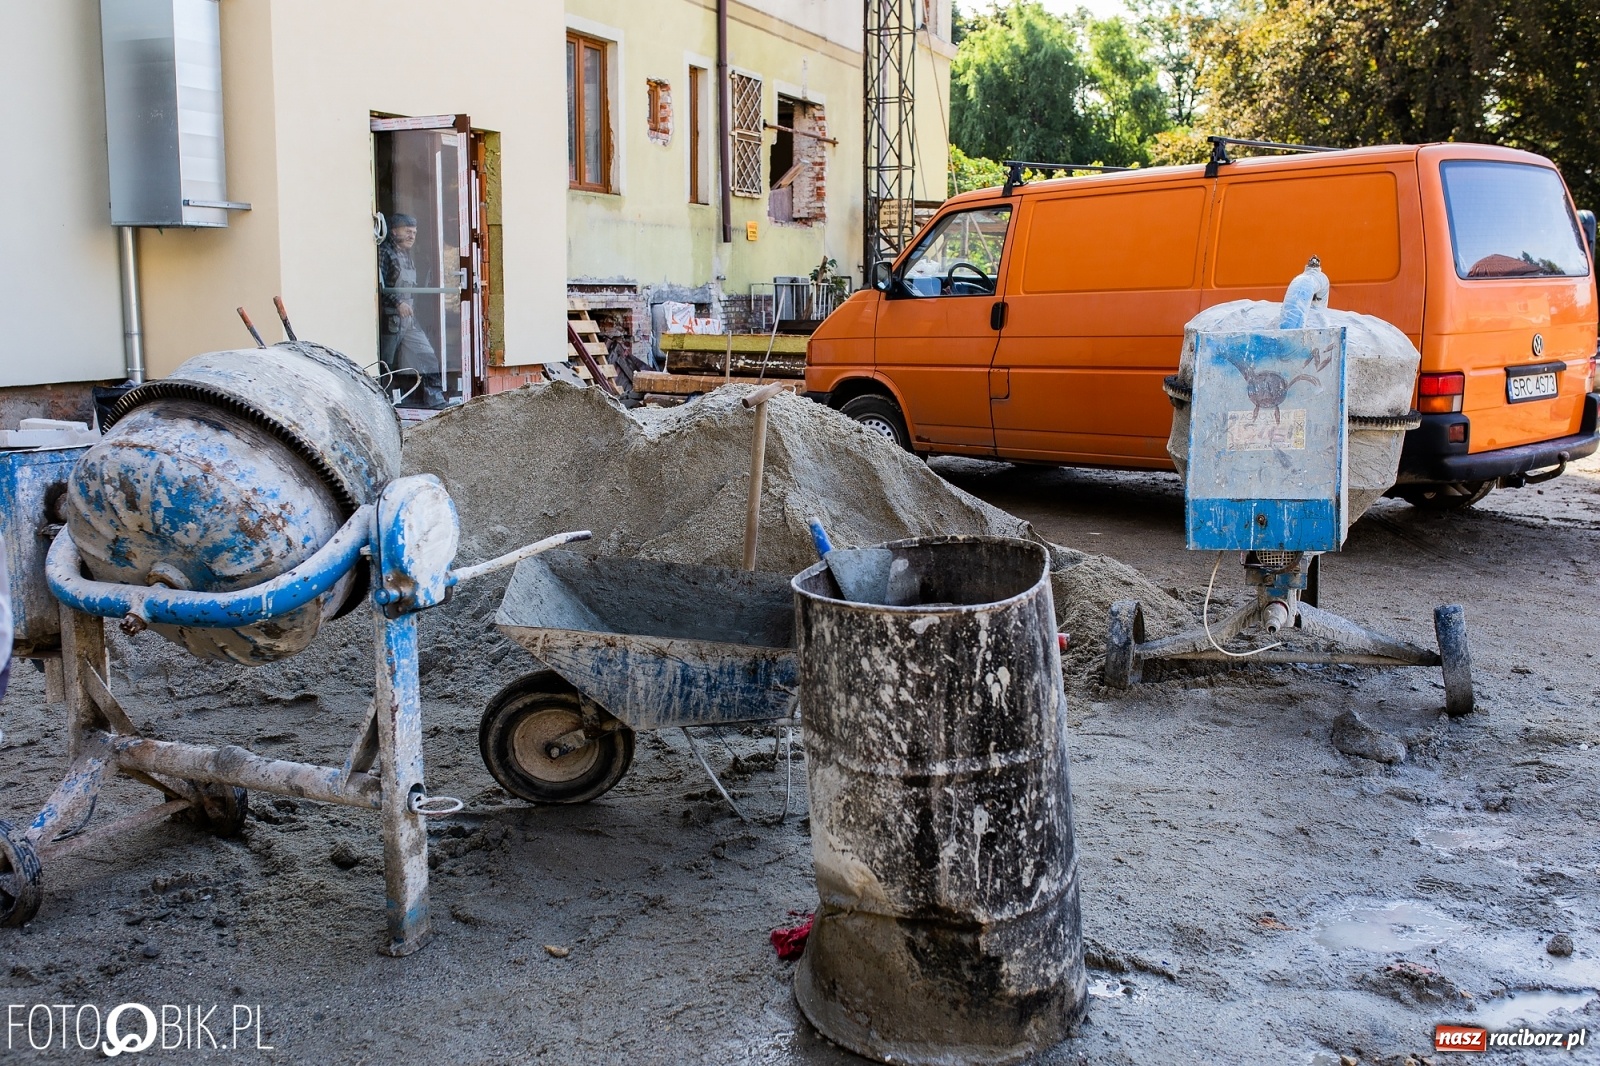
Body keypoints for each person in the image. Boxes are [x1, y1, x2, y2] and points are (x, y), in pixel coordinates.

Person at [378, 213, 445, 407]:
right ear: (393, 231)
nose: (412, 236)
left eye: (414, 232)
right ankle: (382, 404)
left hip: (409, 321)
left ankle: (436, 399)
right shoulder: (385, 252)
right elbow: (378, 285)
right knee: (387, 364)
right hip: (391, 320)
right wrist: (397, 302)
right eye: (407, 231)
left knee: (427, 356)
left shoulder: (407, 255)